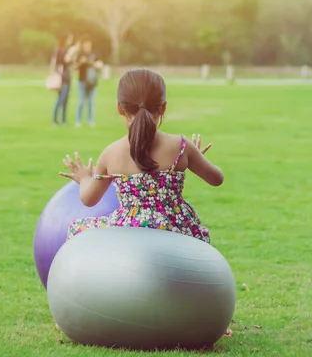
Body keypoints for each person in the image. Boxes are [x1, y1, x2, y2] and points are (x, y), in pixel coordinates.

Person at [58, 68, 232, 337]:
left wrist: (83, 177)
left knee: (77, 229)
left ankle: (80, 308)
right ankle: (203, 314)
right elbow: (217, 178)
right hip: (178, 230)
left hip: (130, 228)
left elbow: (88, 199)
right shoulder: (181, 146)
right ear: (163, 107)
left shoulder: (111, 153)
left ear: (118, 108)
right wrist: (196, 157)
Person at [74, 36, 103, 127]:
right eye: (85, 45)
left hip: (93, 82)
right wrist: (81, 62)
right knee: (81, 101)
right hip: (82, 81)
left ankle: (90, 120)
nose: (86, 46)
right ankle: (78, 121)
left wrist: (89, 62)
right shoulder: (79, 55)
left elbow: (100, 65)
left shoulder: (95, 54)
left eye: (88, 44)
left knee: (91, 102)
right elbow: (74, 67)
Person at [52, 33, 74, 126]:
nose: (71, 41)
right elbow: (60, 63)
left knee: (65, 100)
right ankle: (55, 120)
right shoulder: (60, 51)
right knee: (60, 99)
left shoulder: (66, 50)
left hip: (68, 78)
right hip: (62, 79)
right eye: (69, 39)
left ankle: (64, 120)